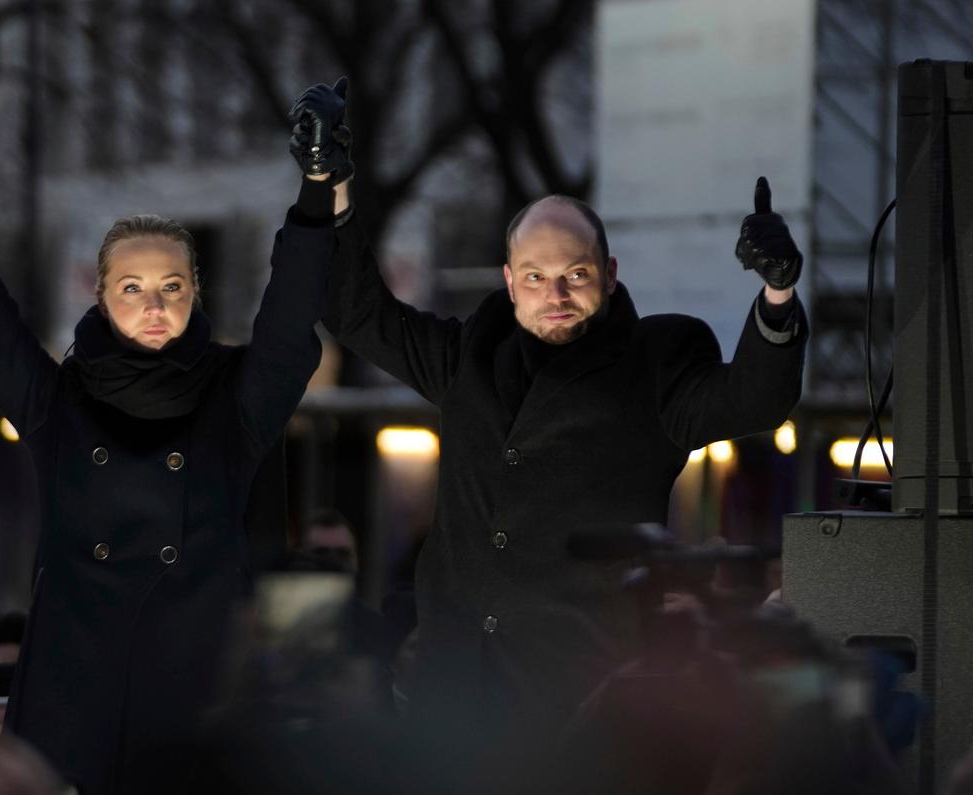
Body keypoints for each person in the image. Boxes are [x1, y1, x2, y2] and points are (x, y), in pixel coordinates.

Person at [0, 75, 347, 795]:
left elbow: (290, 313)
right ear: (102, 297)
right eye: (132, 288)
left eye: (172, 286)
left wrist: (318, 185)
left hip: (194, 691)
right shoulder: (58, 402)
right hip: (75, 694)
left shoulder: (236, 398)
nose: (154, 305)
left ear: (195, 293)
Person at [323, 145, 808, 725]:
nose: (555, 296)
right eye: (535, 277)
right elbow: (358, 316)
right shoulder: (471, 355)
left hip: (577, 703)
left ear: (609, 273)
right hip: (449, 695)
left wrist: (777, 294)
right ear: (509, 281)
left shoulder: (655, 361)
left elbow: (757, 399)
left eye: (575, 275)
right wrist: (332, 182)